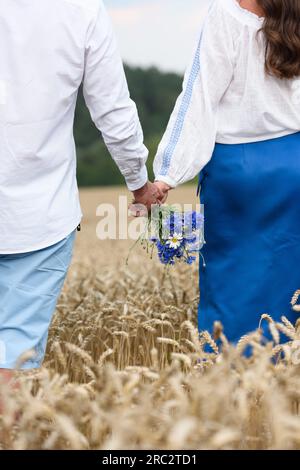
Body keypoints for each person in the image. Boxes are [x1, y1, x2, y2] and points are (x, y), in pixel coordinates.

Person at [0, 0, 165, 378]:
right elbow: (112, 110)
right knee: (11, 357)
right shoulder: (82, 9)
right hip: (39, 216)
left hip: (41, 218)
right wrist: (139, 184)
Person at [153, 0, 300, 343]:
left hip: (240, 174)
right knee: (290, 282)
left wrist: (167, 172)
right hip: (294, 166)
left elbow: (199, 96)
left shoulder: (226, 13)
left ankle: (232, 378)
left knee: (234, 286)